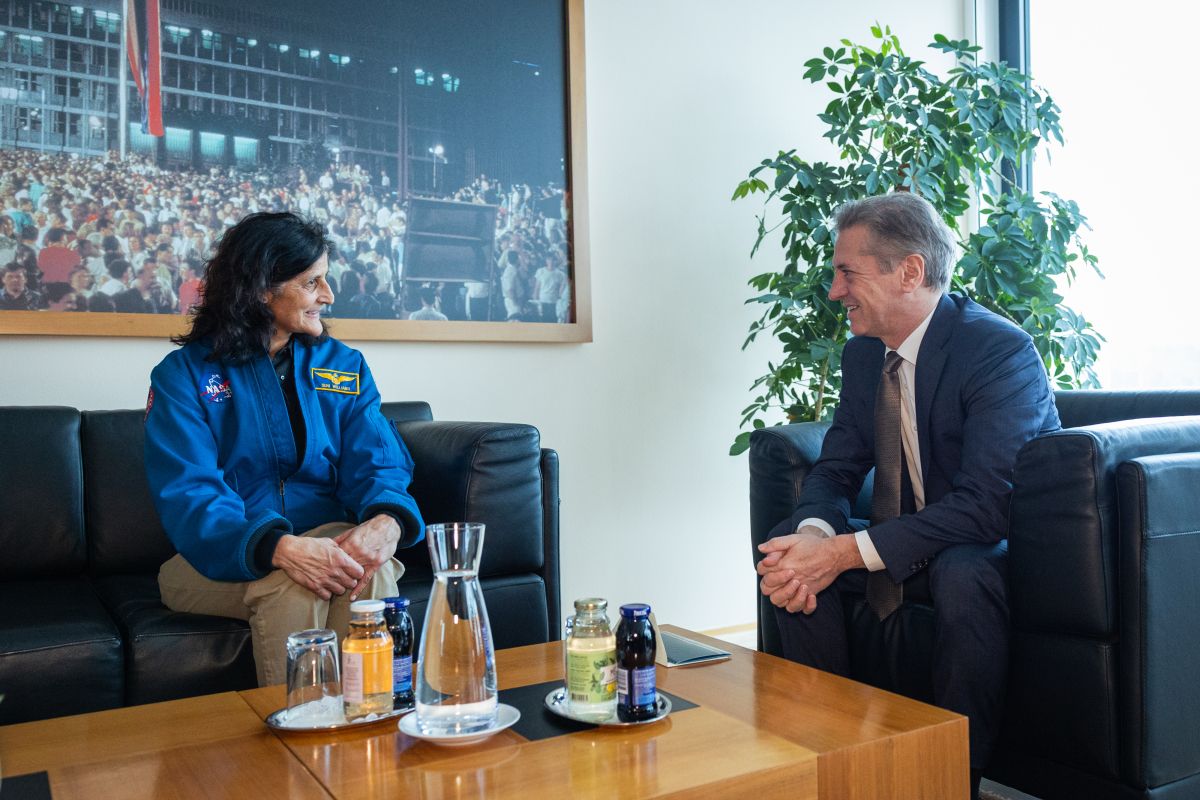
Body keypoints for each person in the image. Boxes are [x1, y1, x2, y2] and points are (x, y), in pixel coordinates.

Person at [754, 192, 1060, 798]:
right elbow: (837, 468)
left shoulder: (997, 351)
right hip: (918, 542)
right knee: (788, 554)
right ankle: (831, 759)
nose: (835, 291)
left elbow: (987, 507)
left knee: (963, 571)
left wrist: (844, 552)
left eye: (848, 273)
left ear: (910, 272)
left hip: (996, 545)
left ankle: (952, 781)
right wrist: (814, 540)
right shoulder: (864, 355)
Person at [143, 211, 425, 686]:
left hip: (326, 534)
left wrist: (387, 521)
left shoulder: (345, 365)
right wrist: (277, 547)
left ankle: (369, 721)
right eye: (311, 282)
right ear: (260, 289)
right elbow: (189, 492)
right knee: (292, 582)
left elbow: (378, 460)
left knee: (369, 571)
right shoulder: (184, 375)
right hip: (214, 556)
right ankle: (302, 728)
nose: (328, 295)